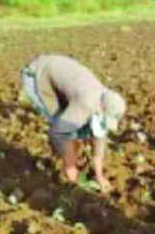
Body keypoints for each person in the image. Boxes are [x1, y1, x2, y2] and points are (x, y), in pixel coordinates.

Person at [20, 54, 125, 193]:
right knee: (61, 125)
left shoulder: (105, 98)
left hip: (60, 77)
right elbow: (57, 133)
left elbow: (100, 135)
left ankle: (68, 163)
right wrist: (70, 166)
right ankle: (66, 171)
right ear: (100, 107)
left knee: (74, 129)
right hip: (38, 75)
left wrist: (100, 176)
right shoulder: (87, 103)